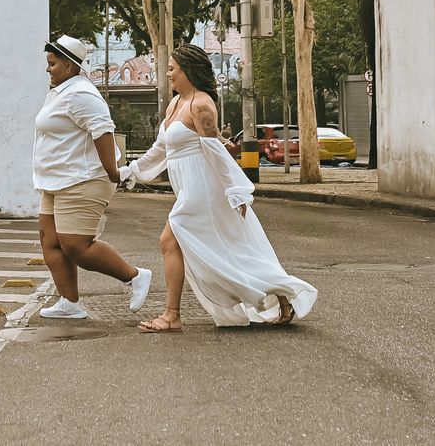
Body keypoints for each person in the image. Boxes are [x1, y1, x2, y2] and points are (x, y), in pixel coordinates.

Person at [122, 43, 317, 332]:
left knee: (169, 240)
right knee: (224, 250)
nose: (167, 74)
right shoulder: (175, 104)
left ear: (187, 70)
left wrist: (235, 190)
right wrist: (133, 170)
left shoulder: (201, 104)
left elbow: (216, 152)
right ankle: (279, 294)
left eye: (172, 69)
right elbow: (160, 149)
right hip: (187, 186)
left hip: (204, 187)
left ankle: (171, 315)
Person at [33, 34, 153, 321]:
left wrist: (113, 173)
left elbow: (102, 130)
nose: (48, 69)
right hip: (56, 180)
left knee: (77, 246)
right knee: (50, 241)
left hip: (82, 179)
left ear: (70, 66)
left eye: (52, 64)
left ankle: (134, 276)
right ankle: (69, 303)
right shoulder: (60, 91)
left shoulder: (81, 93)